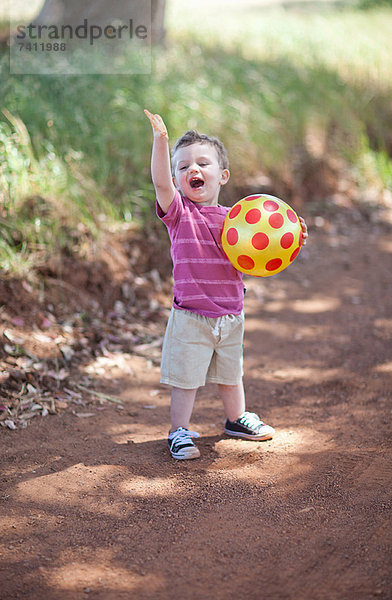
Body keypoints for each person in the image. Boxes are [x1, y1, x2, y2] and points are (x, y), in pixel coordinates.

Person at [144, 109, 308, 460]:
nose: (193, 170)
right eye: (183, 166)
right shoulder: (179, 213)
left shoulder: (240, 220)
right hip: (191, 316)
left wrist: (294, 234)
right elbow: (159, 183)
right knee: (186, 379)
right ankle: (179, 430)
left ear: (223, 176)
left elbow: (271, 239)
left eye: (203, 163)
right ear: (176, 178)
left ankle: (236, 419)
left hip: (231, 314)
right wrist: (161, 142)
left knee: (231, 374)